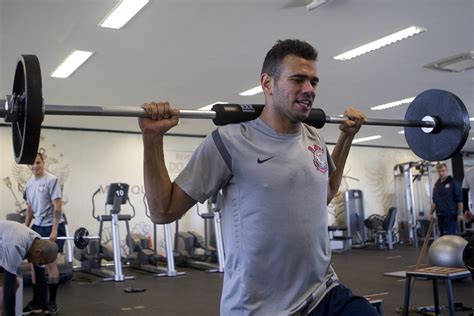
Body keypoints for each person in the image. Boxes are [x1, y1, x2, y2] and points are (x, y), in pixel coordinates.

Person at [139, 39, 378, 315]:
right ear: (267, 84)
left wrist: (346, 138)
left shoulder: (314, 138)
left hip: (322, 292)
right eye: (298, 79)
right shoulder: (229, 142)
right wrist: (152, 138)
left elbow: (326, 191)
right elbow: (162, 211)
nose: (310, 89)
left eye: (314, 81)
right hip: (259, 307)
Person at [22, 153, 64, 315]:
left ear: (43, 162)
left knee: (50, 264)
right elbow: (30, 208)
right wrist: (25, 227)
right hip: (37, 226)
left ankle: (52, 303)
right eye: (32, 164)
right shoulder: (29, 184)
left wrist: (54, 230)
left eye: (38, 162)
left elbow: (58, 207)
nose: (35, 166)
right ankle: (37, 301)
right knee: (34, 265)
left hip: (51, 226)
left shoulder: (51, 180)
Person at [0, 221, 58, 316]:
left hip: (4, 246)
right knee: (8, 286)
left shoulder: (37, 241)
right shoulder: (17, 246)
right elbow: (8, 289)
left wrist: (45, 308)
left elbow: (40, 277)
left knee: (13, 284)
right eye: (40, 262)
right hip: (8, 243)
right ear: (38, 253)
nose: (39, 264)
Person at [429, 162, 463, 236]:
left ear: (447, 170)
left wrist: (460, 213)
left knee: (450, 236)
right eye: (439, 171)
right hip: (440, 214)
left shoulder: (453, 183)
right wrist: (430, 213)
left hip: (451, 214)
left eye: (443, 170)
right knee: (442, 236)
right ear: (437, 172)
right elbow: (435, 201)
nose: (441, 173)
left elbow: (459, 200)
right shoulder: (436, 185)